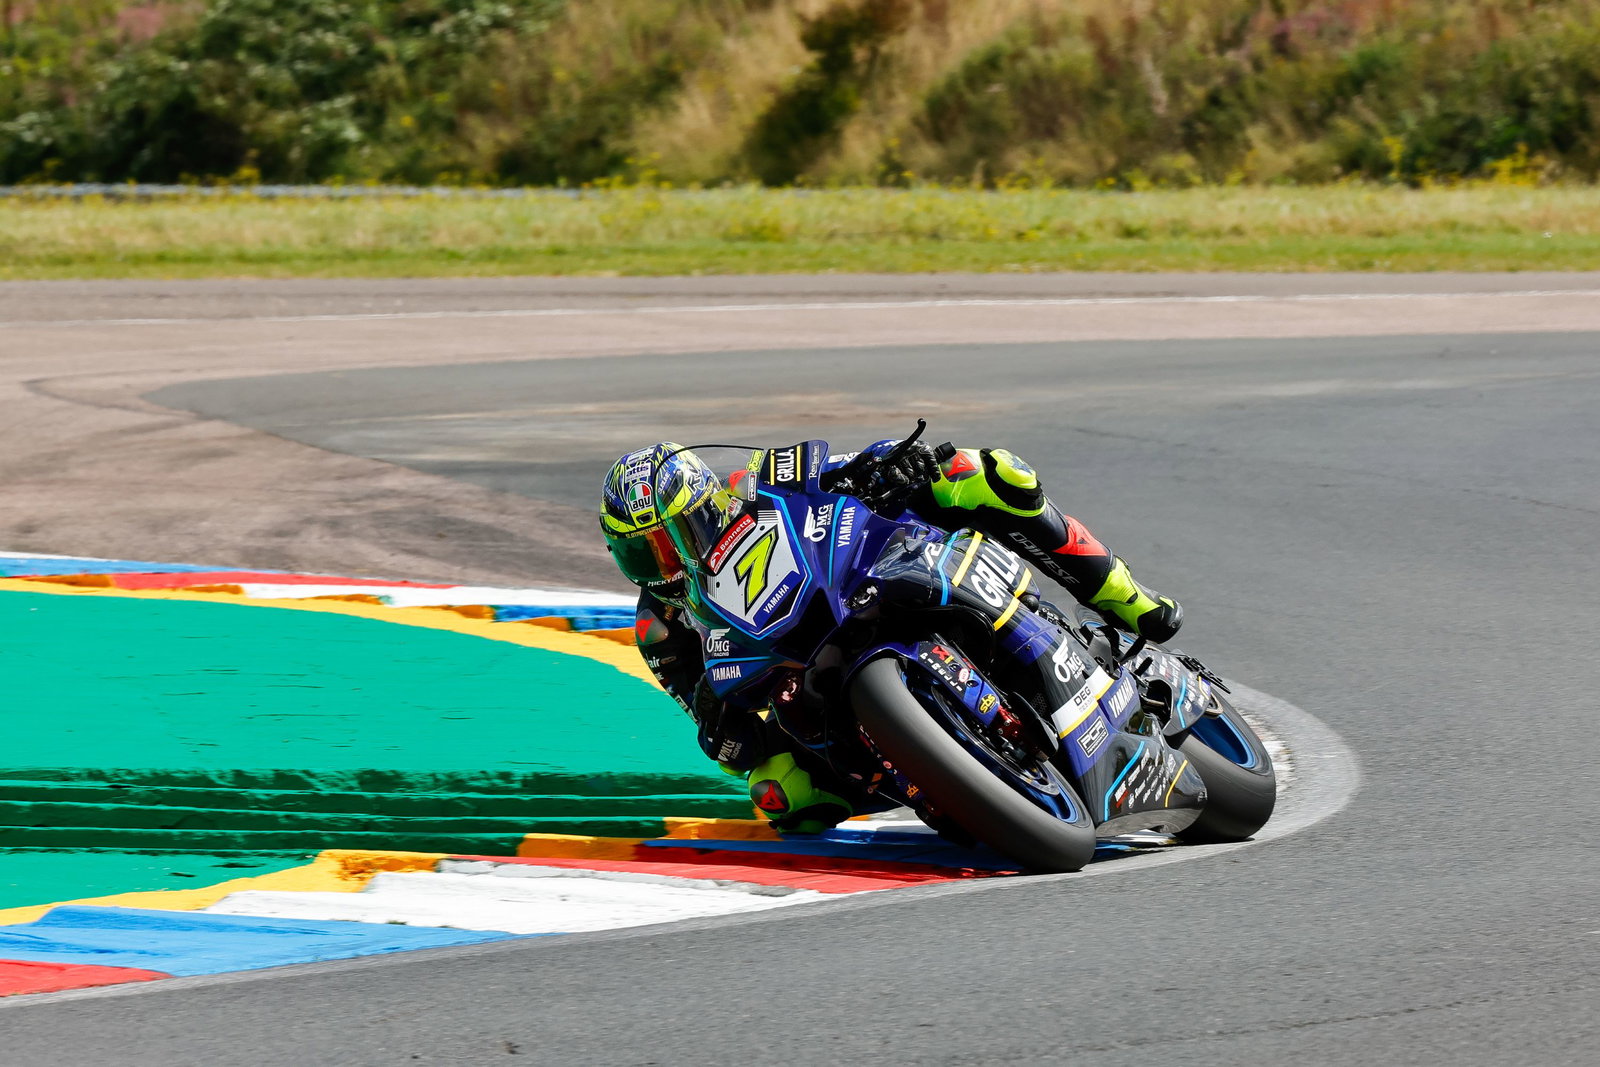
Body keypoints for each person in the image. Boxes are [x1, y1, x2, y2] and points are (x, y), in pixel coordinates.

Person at [599, 437, 1183, 834]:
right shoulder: (661, 628)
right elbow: (718, 735)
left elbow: (849, 464)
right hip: (807, 681)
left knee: (988, 475)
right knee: (782, 796)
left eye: (669, 540)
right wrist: (719, 723)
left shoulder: (759, 484)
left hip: (872, 577)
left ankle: (1128, 599)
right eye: (639, 554)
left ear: (703, 507)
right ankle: (948, 783)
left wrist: (892, 464)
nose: (663, 565)